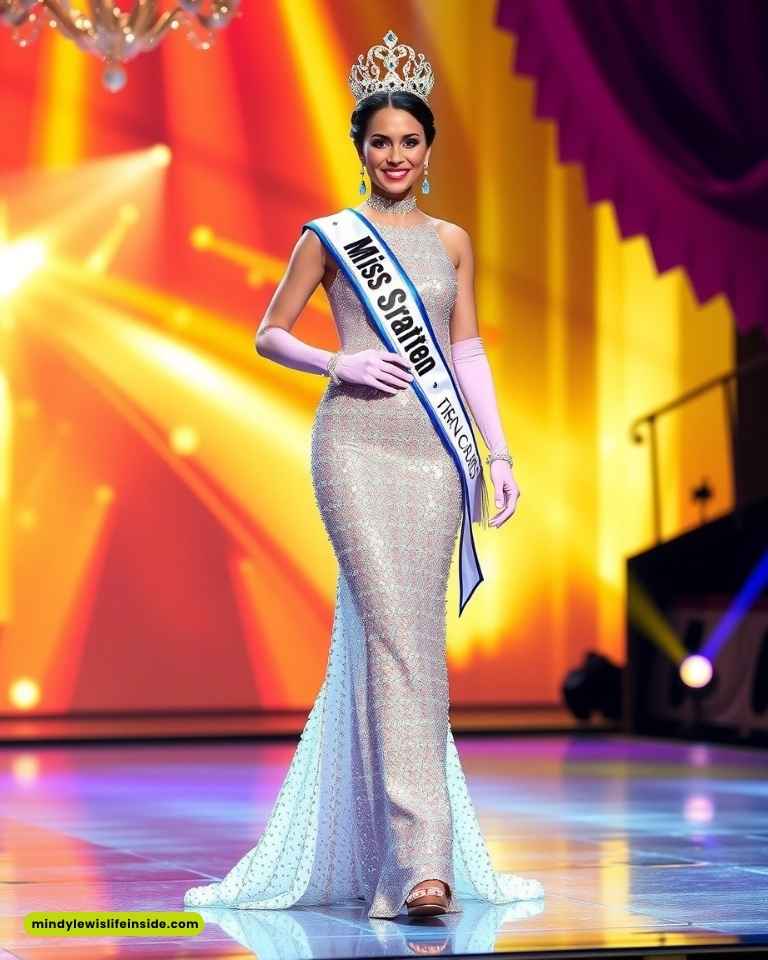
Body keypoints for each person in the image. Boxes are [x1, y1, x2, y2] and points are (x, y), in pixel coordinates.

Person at [184, 29, 544, 921]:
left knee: (411, 642)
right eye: (379, 141)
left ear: (429, 150)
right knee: (394, 638)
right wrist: (333, 363)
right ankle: (419, 868)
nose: (395, 155)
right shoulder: (330, 239)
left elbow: (466, 351)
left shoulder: (452, 242)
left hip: (433, 457)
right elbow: (269, 331)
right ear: (360, 148)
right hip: (352, 447)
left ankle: (401, 857)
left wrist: (496, 454)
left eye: (409, 141)